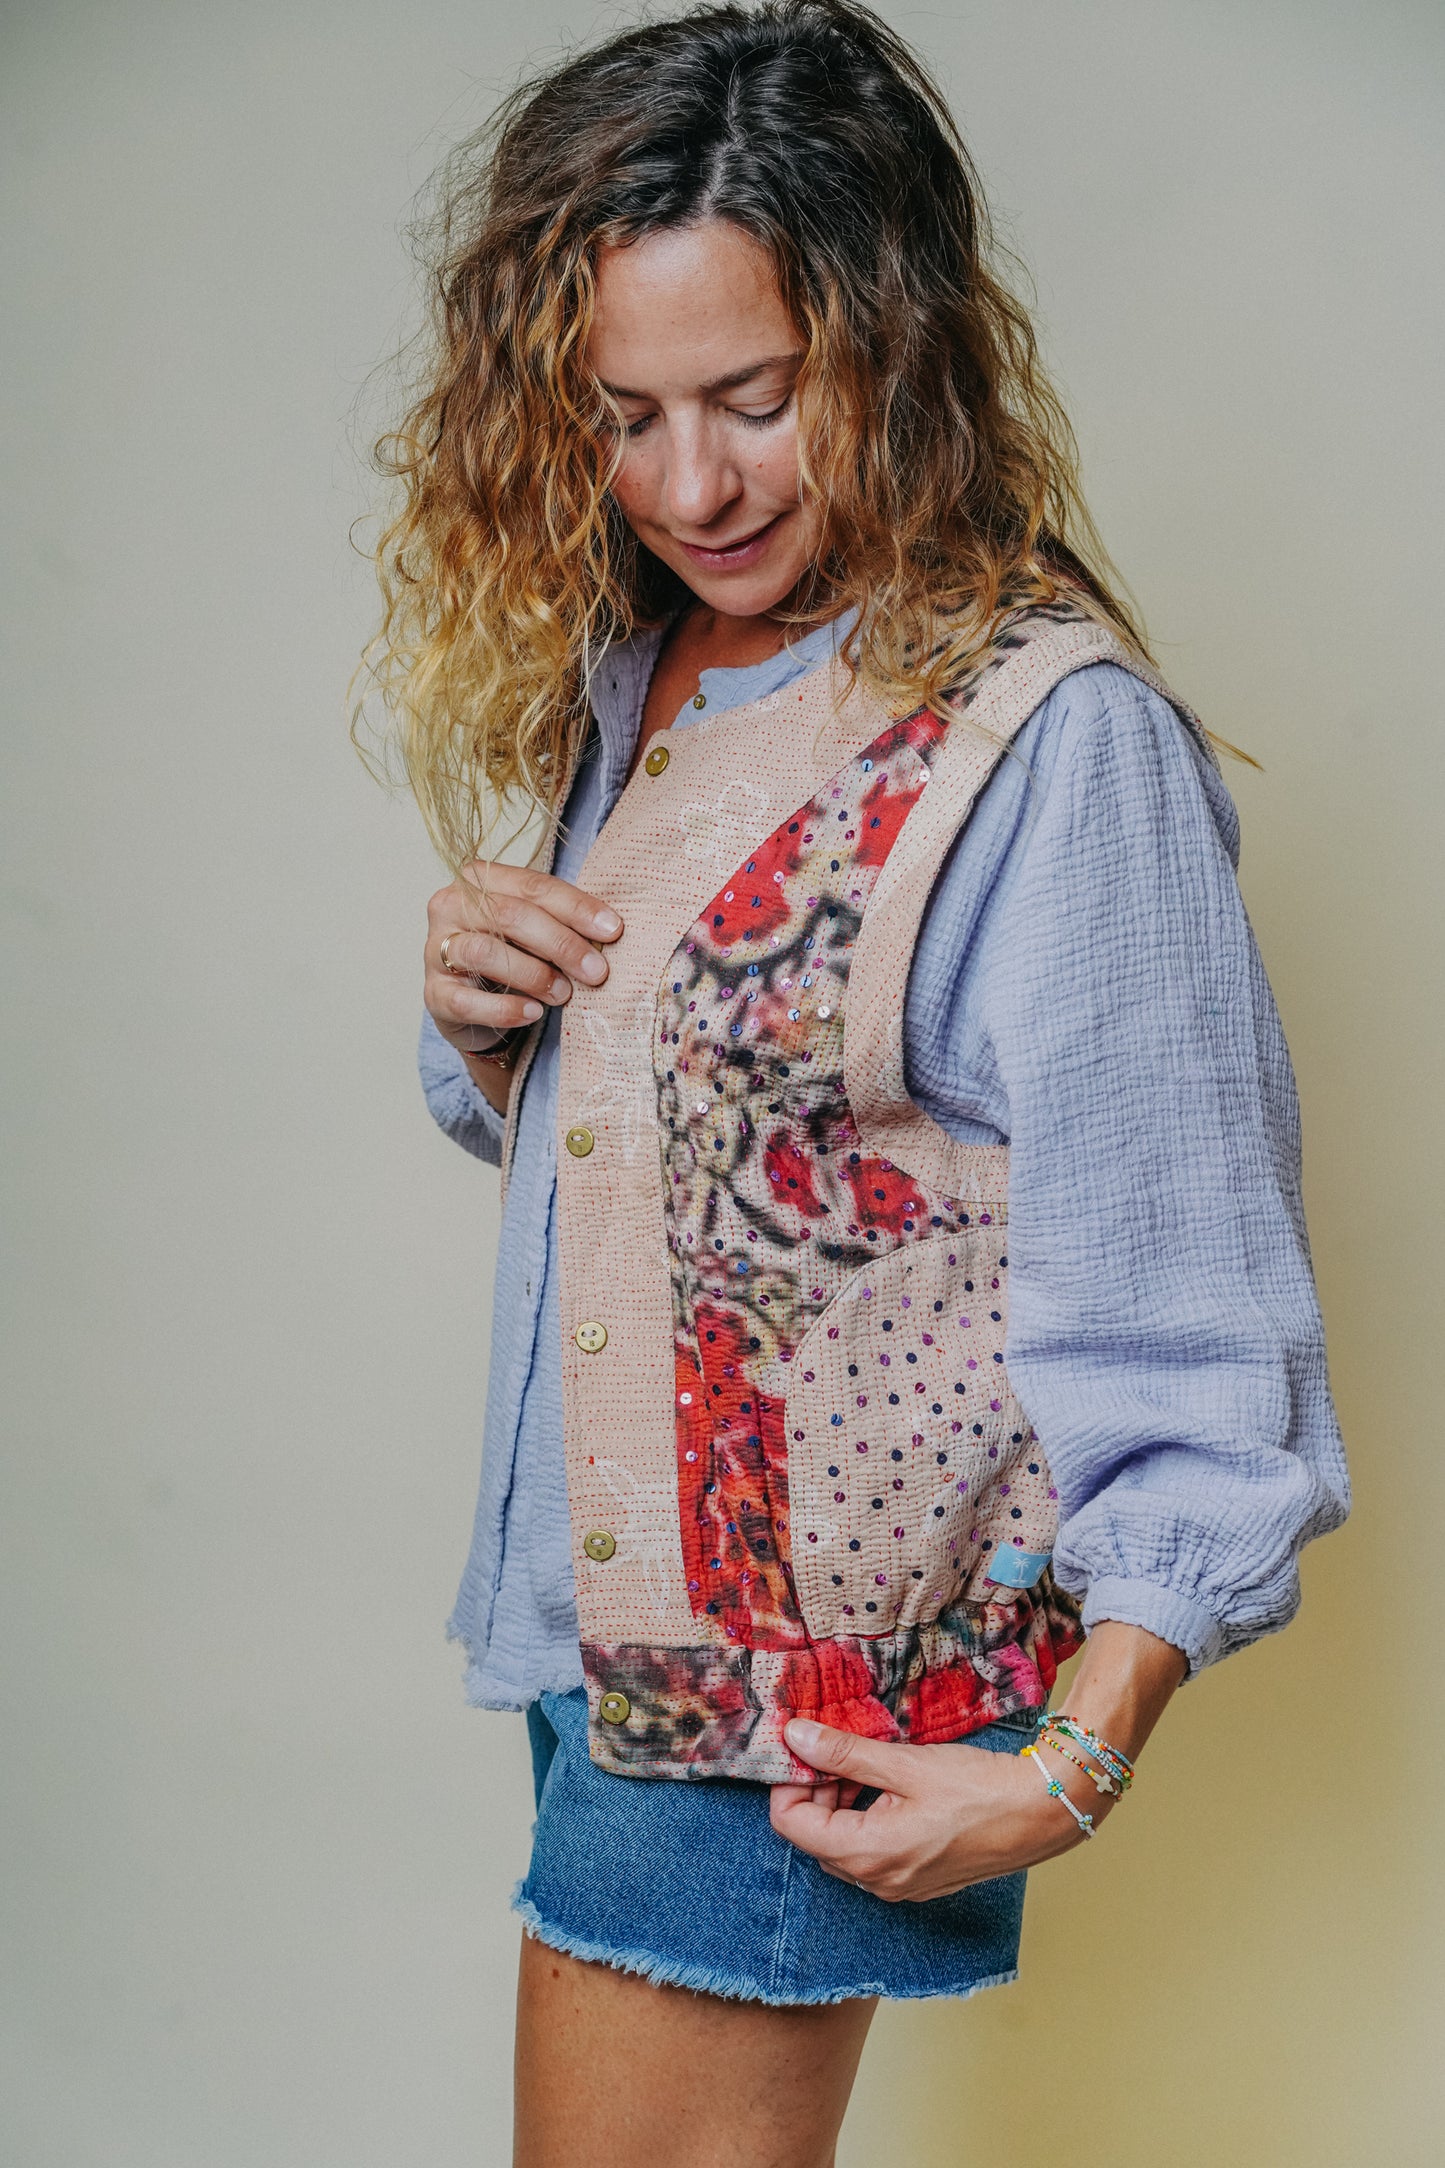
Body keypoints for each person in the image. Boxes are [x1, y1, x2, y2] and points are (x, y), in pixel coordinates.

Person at [362, 5, 1349, 2160]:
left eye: (756, 398)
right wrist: (490, 1017)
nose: (688, 485)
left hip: (794, 1718)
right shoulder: (655, 666)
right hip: (607, 1661)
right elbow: (692, 1148)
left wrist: (1071, 1757)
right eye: (621, 414)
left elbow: (1193, 1312)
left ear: (897, 351)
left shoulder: (1052, 744)